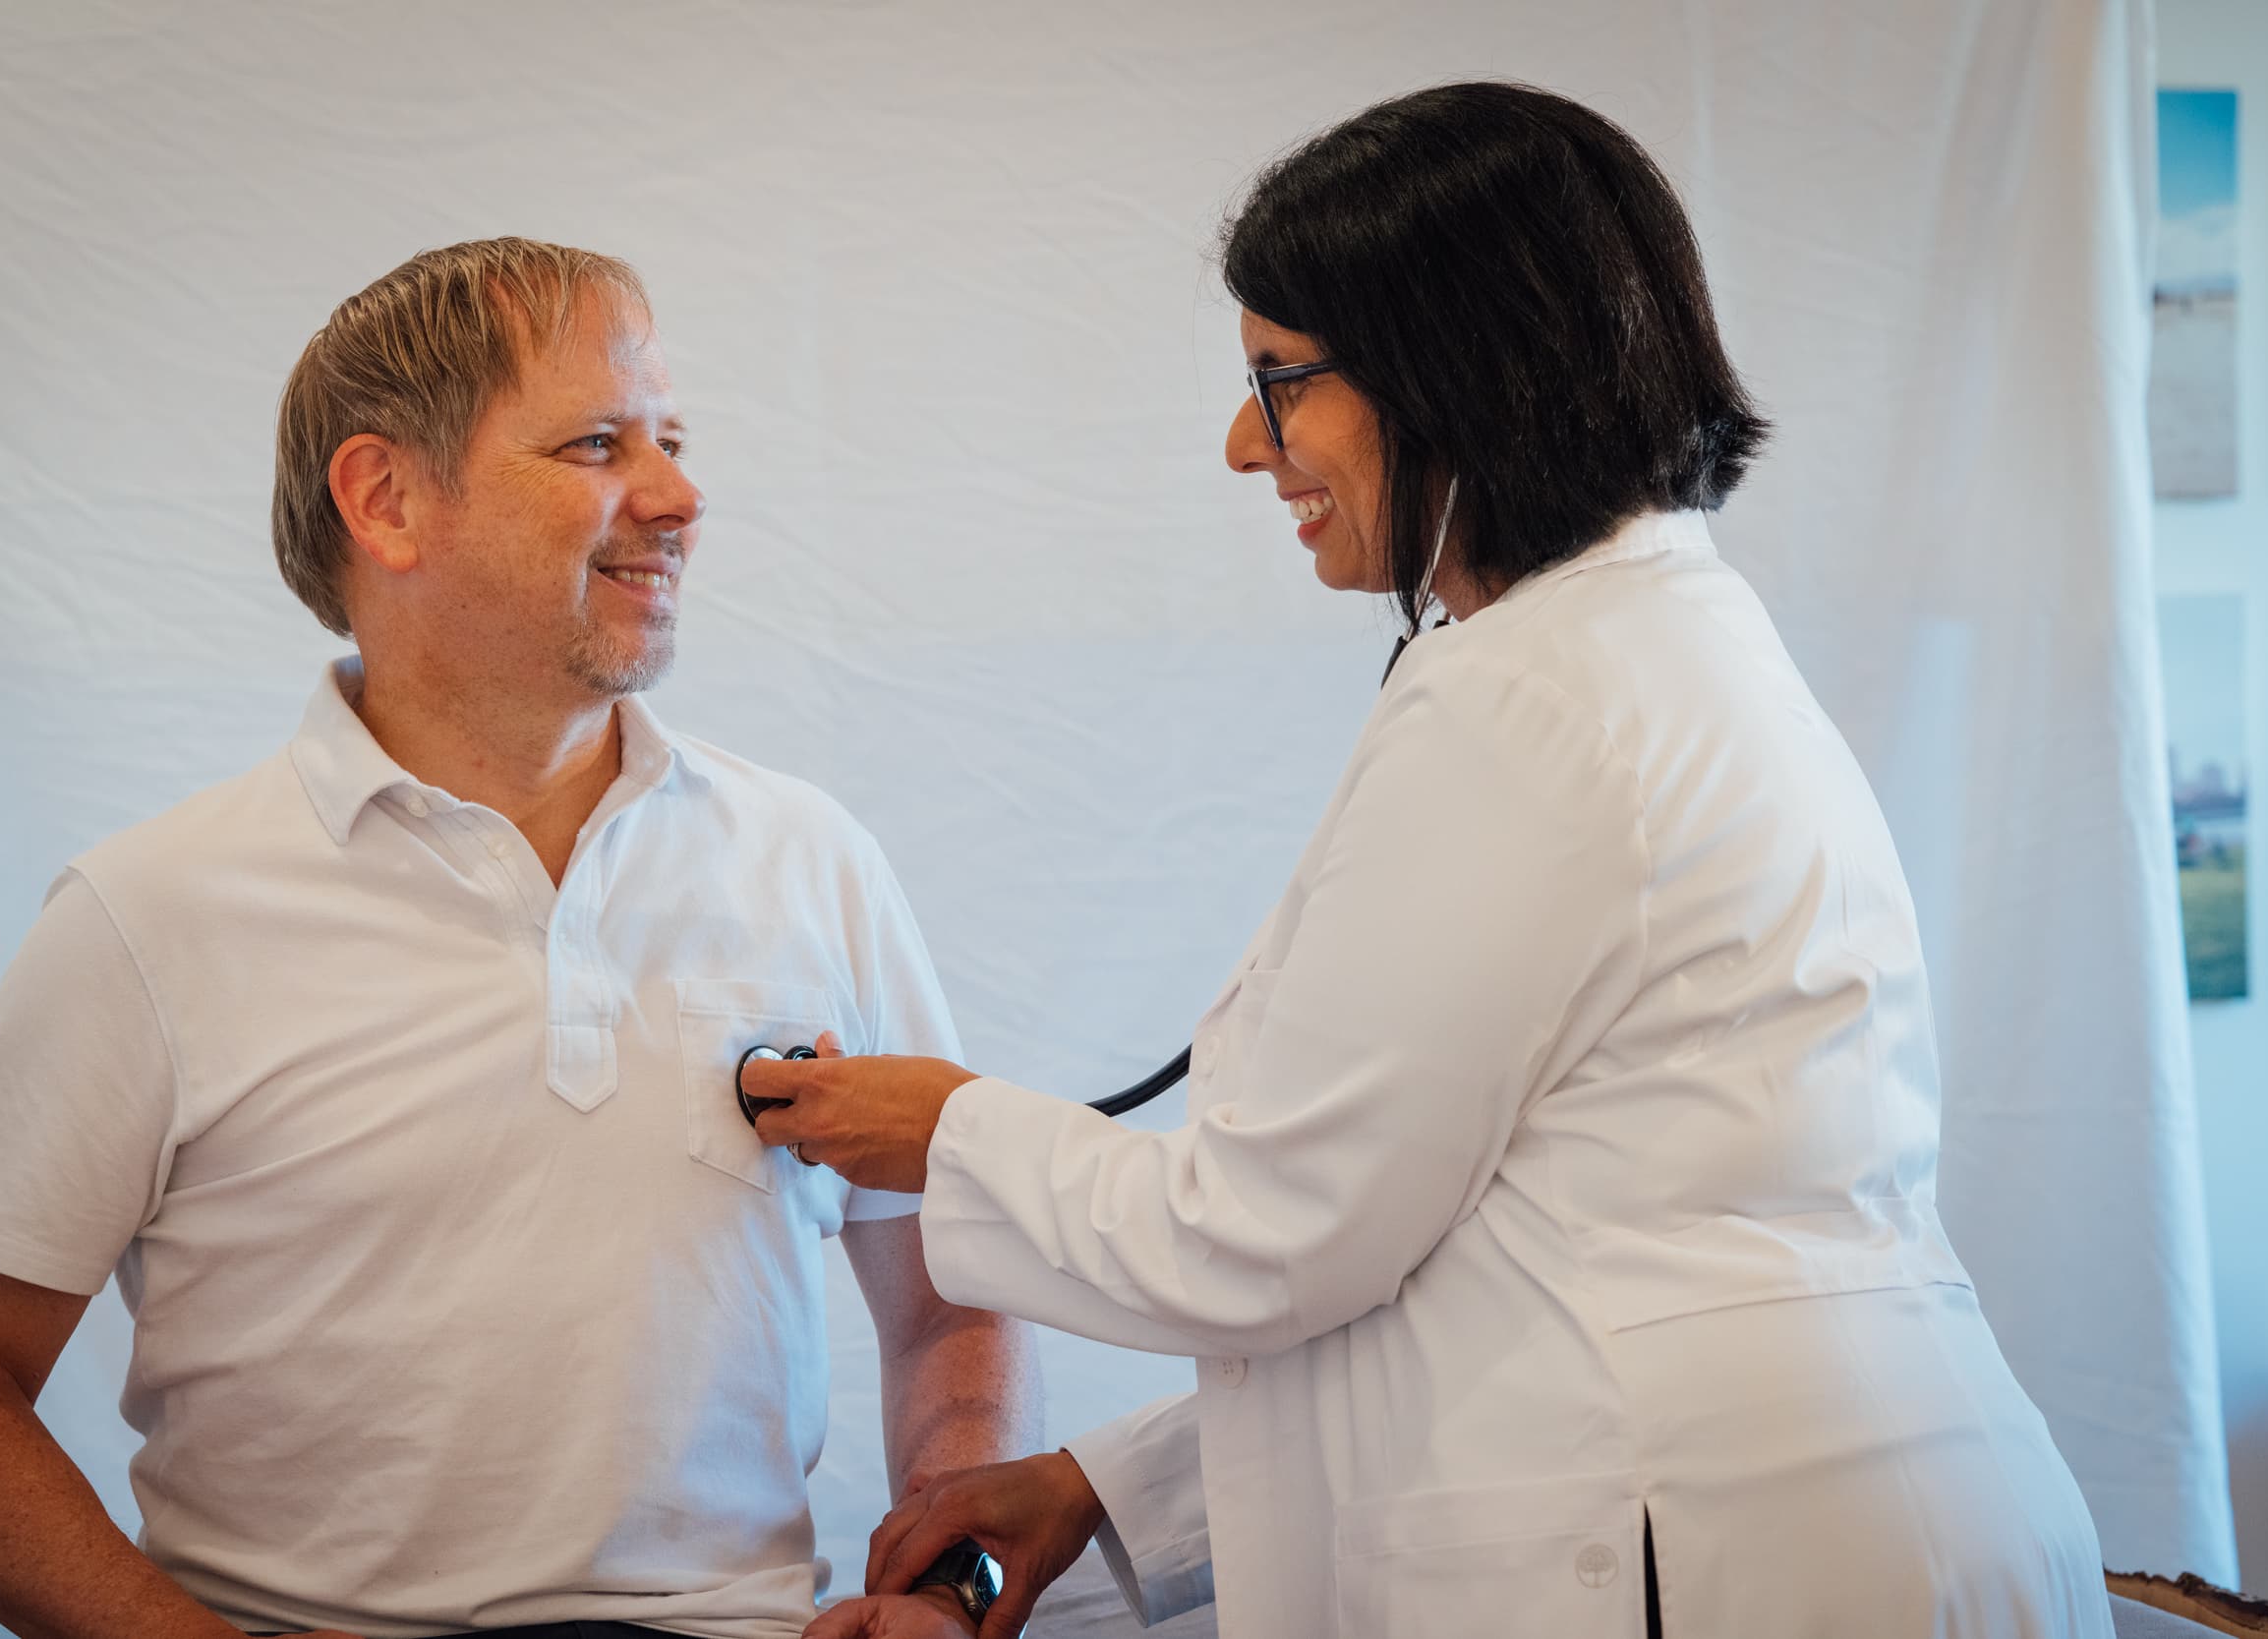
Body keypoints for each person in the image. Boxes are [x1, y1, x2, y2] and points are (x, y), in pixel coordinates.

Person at [742, 85, 2116, 1639]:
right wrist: (1104, 1492)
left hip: (1715, 1555)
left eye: (1281, 383)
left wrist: (950, 1135)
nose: (1244, 446)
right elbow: (1486, 1255)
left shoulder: (1532, 697)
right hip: (1838, 1518)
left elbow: (1269, 1233)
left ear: (1453, 364)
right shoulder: (1659, 649)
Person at [0, 238, 1038, 1639]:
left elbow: (953, 1284)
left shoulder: (810, 858)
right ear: (387, 500)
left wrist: (949, 1590)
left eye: (671, 439)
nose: (678, 495)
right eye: (599, 443)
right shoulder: (148, 913)